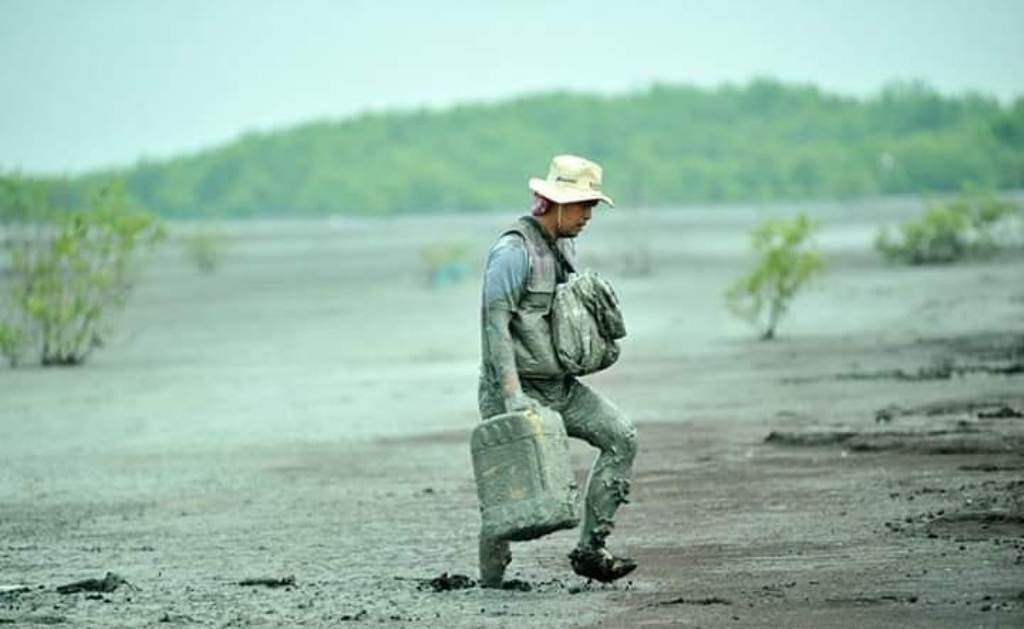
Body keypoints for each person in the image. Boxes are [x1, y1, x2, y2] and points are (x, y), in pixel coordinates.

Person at [477, 154, 638, 586]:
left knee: (621, 436)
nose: (588, 215)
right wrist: (513, 397)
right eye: (583, 205)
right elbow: (495, 329)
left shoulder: (564, 246)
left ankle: (591, 550)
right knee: (508, 488)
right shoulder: (511, 252)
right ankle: (490, 583)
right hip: (513, 387)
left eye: (591, 206)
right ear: (554, 202)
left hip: (561, 387)